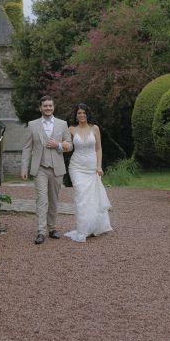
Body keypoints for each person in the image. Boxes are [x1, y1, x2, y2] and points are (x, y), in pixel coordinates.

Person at [21, 95, 73, 244]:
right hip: (40, 168)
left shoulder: (62, 124)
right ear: (40, 108)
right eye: (45, 106)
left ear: (53, 107)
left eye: (50, 106)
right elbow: (27, 148)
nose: (48, 108)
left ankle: (52, 228)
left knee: (54, 200)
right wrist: (24, 168)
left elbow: (70, 145)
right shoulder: (32, 125)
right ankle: (41, 231)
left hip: (57, 168)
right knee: (42, 199)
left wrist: (58, 145)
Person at [64, 103, 112, 242]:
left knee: (92, 197)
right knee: (80, 195)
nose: (82, 115)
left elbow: (98, 149)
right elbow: (67, 146)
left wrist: (99, 166)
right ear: (76, 115)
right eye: (79, 113)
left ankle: (94, 226)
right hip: (76, 167)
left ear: (87, 114)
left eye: (84, 113)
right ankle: (82, 230)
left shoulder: (94, 128)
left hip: (92, 167)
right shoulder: (71, 129)